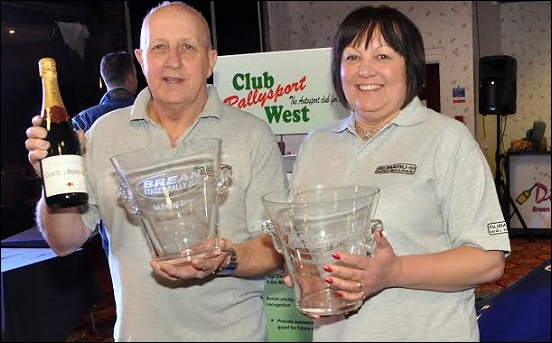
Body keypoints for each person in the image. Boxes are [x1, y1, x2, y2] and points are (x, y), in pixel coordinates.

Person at [25, 1, 286, 341]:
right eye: (159, 47)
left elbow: (276, 246)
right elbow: (63, 241)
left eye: (188, 47)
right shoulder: (103, 134)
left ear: (210, 61)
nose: (173, 60)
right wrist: (53, 179)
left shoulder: (251, 134)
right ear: (141, 58)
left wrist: (226, 259)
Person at [288, 5, 511, 342]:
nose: (365, 71)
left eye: (382, 56)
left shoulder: (446, 139)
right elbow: (302, 244)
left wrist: (395, 272)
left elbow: (488, 260)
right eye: (352, 57)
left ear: (411, 66)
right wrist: (303, 273)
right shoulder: (315, 145)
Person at [71, 50, 139, 256]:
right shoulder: (154, 111)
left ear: (104, 78)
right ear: (131, 77)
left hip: (108, 221)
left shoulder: (83, 122)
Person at [71, 50, 138, 131]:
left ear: (104, 78)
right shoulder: (148, 111)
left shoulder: (83, 121)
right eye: (135, 74)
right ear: (130, 79)